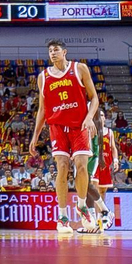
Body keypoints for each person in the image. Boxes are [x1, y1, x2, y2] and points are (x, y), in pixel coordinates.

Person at [28, 39, 100, 234]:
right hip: (57, 127)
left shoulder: (79, 69)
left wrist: (90, 118)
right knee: (62, 166)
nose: (52, 53)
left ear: (64, 52)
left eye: (56, 50)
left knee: (82, 167)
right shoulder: (43, 77)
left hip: (79, 125)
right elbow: (42, 109)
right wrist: (35, 136)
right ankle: (62, 216)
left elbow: (94, 98)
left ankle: (82, 205)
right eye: (50, 50)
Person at [86, 109, 119, 231]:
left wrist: (115, 161)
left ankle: (102, 218)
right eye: (99, 115)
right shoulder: (92, 130)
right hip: (94, 162)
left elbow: (113, 148)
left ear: (105, 118)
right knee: (93, 189)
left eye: (102, 115)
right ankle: (94, 219)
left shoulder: (110, 132)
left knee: (102, 191)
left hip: (105, 164)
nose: (101, 117)